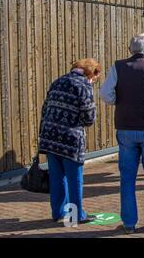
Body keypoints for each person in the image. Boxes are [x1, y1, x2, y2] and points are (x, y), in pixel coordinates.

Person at [101, 34, 144, 234]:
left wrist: (119, 101)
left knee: (127, 177)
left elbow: (105, 94)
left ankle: (129, 223)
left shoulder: (118, 67)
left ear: (129, 49)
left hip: (126, 126)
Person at [39, 59, 101, 225]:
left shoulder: (57, 81)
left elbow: (45, 109)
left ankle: (58, 213)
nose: (94, 81)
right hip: (70, 139)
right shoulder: (83, 85)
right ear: (91, 72)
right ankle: (76, 215)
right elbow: (89, 118)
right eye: (95, 78)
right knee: (75, 179)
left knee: (57, 178)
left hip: (50, 137)